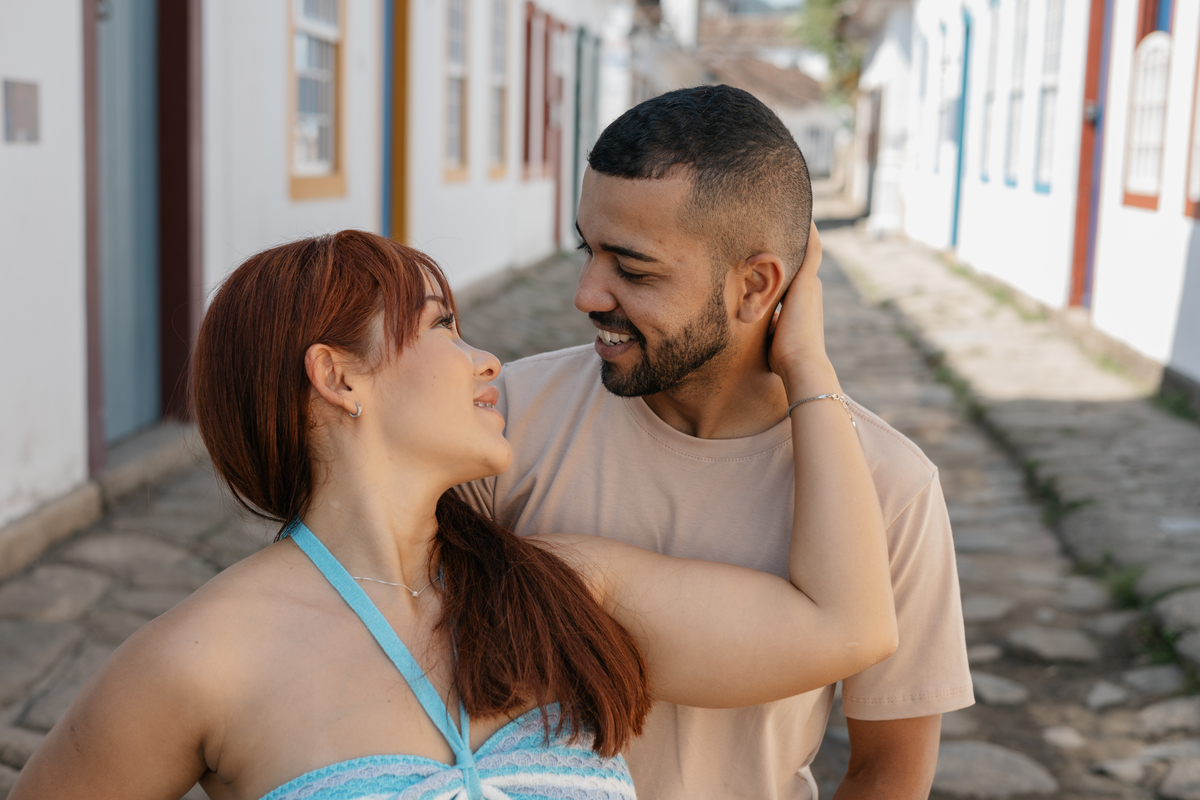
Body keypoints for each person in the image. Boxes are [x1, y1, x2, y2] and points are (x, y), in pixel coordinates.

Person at [10, 229, 895, 800]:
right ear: (338, 376)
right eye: (441, 327)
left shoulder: (563, 591)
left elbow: (847, 626)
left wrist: (807, 367)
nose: (486, 360)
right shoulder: (200, 662)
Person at [458, 85, 974, 800]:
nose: (586, 294)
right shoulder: (505, 418)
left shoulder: (890, 486)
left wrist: (808, 368)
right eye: (588, 250)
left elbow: (889, 769)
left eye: (632, 269)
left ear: (756, 286)